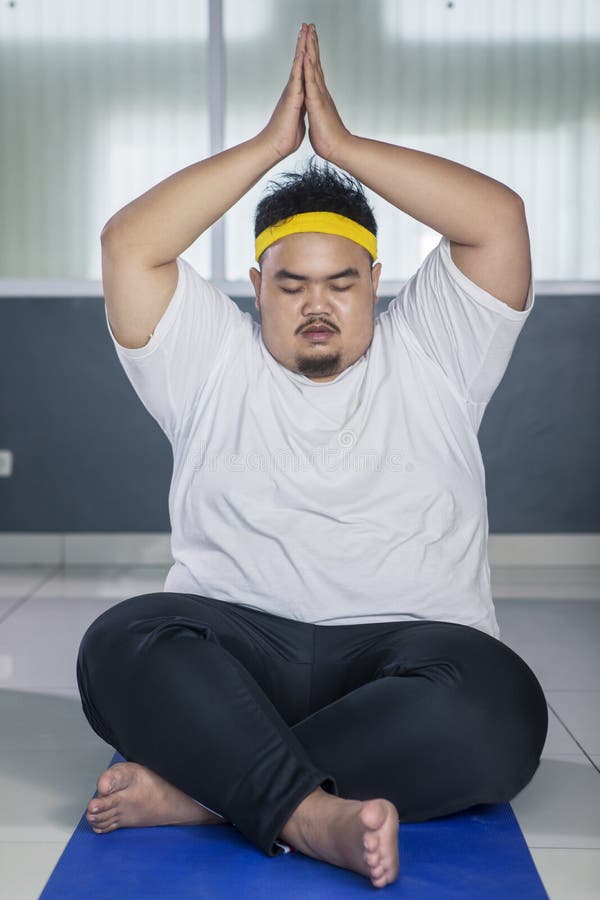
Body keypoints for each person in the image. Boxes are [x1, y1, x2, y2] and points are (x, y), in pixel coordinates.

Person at [77, 22, 548, 890]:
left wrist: (339, 146)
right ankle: (311, 810)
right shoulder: (209, 357)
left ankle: (211, 792)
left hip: (411, 655)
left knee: (504, 708)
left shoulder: (438, 346)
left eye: (341, 282)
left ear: (376, 280)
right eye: (291, 285)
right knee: (122, 641)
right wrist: (269, 148)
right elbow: (128, 245)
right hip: (239, 654)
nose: (316, 305)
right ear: (256, 287)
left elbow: (497, 220)